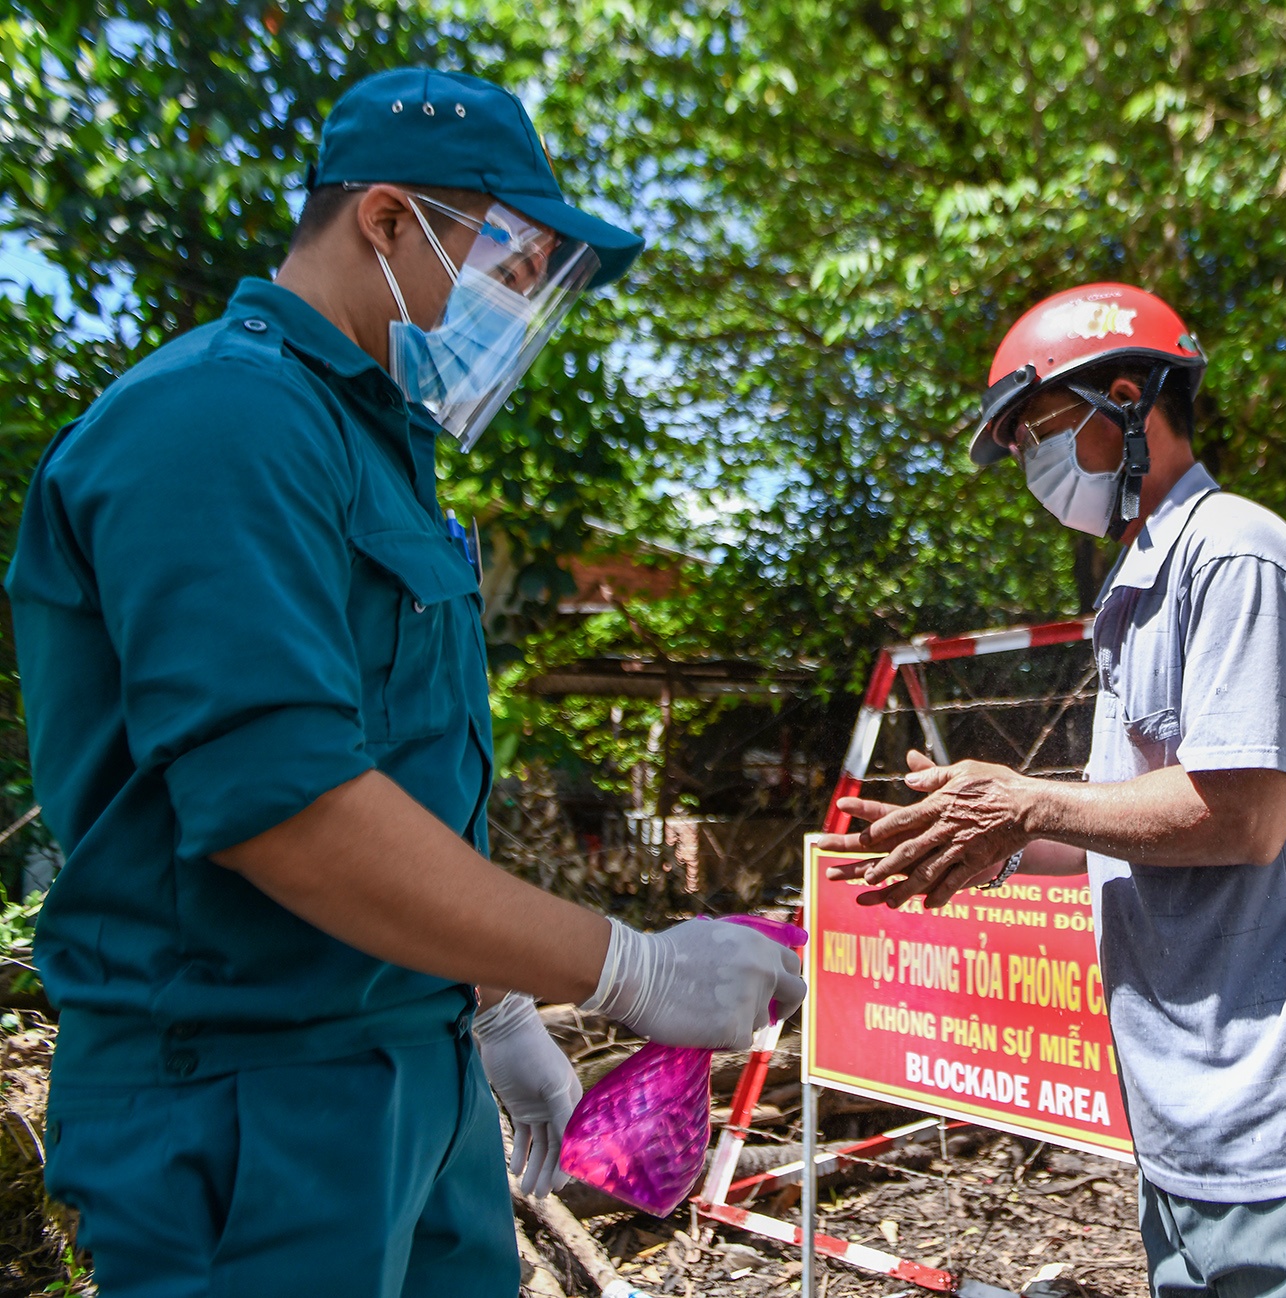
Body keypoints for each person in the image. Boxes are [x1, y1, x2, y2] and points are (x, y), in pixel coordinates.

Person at [7, 67, 804, 1296]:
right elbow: (289, 807)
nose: (524, 308)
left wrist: (487, 1007)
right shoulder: (218, 421)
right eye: (514, 265)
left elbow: (403, 784)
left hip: (409, 1070)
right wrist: (625, 969)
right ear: (385, 219)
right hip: (249, 1100)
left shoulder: (376, 452)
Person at [817, 283, 1286, 1298]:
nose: (1029, 464)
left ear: (1122, 398)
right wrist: (1000, 841)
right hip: (1188, 1123)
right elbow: (1137, 819)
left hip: (1282, 1126)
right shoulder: (1143, 580)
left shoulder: (1231, 552)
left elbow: (1241, 815)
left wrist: (1029, 800)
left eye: (1037, 432)